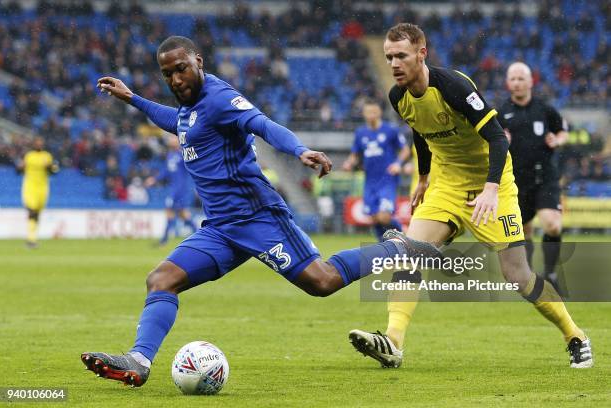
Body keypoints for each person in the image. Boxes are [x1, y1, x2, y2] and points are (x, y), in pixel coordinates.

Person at [81, 35, 442, 387]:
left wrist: (299, 150)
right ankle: (139, 361)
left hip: (258, 218)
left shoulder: (219, 98)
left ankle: (398, 247)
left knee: (323, 282)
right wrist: (133, 98)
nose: (176, 79)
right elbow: (178, 122)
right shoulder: (191, 109)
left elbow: (262, 124)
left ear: (198, 62)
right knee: (161, 280)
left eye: (181, 69)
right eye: (168, 75)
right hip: (221, 229)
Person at [348, 23, 592, 369]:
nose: (394, 64)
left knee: (518, 276)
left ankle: (576, 336)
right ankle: (393, 342)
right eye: (389, 57)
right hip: (446, 184)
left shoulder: (454, 87)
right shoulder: (397, 96)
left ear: (422, 53)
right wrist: (422, 177)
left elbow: (498, 139)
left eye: (401, 55)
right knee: (408, 256)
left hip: (492, 184)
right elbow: (420, 131)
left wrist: (491, 189)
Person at [497, 62, 567, 292]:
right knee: (524, 231)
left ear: (530, 81)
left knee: (553, 225)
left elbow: (562, 131)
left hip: (544, 178)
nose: (516, 83)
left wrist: (557, 140)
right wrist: (500, 142)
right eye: (512, 79)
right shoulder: (501, 113)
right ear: (508, 83)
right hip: (516, 182)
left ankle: (551, 273)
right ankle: (527, 279)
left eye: (520, 78)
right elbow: (489, 142)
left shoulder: (545, 110)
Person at [342, 99, 410, 241]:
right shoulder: (360, 133)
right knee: (374, 218)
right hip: (370, 181)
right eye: (368, 112)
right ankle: (385, 248)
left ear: (379, 112)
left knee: (384, 217)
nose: (371, 115)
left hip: (387, 180)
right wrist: (349, 163)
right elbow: (355, 154)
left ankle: (405, 236)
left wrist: (398, 163)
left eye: (374, 112)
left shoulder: (390, 130)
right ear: (364, 114)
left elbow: (405, 150)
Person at [145, 137, 197, 245]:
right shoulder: (170, 155)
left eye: (173, 139)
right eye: (170, 139)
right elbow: (165, 171)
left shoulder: (183, 154)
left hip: (181, 189)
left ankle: (164, 239)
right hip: (174, 188)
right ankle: (197, 234)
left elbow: (192, 167)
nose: (171, 140)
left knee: (173, 211)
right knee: (181, 214)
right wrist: (154, 179)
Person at [16, 137, 58, 248]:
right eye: (37, 143)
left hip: (43, 188)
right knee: (32, 211)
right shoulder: (29, 156)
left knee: (37, 214)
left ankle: (33, 238)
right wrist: (20, 167)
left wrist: (49, 166)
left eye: (41, 143)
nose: (39, 145)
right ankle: (31, 239)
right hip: (30, 187)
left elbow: (54, 171)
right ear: (34, 144)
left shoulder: (47, 156)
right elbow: (18, 171)